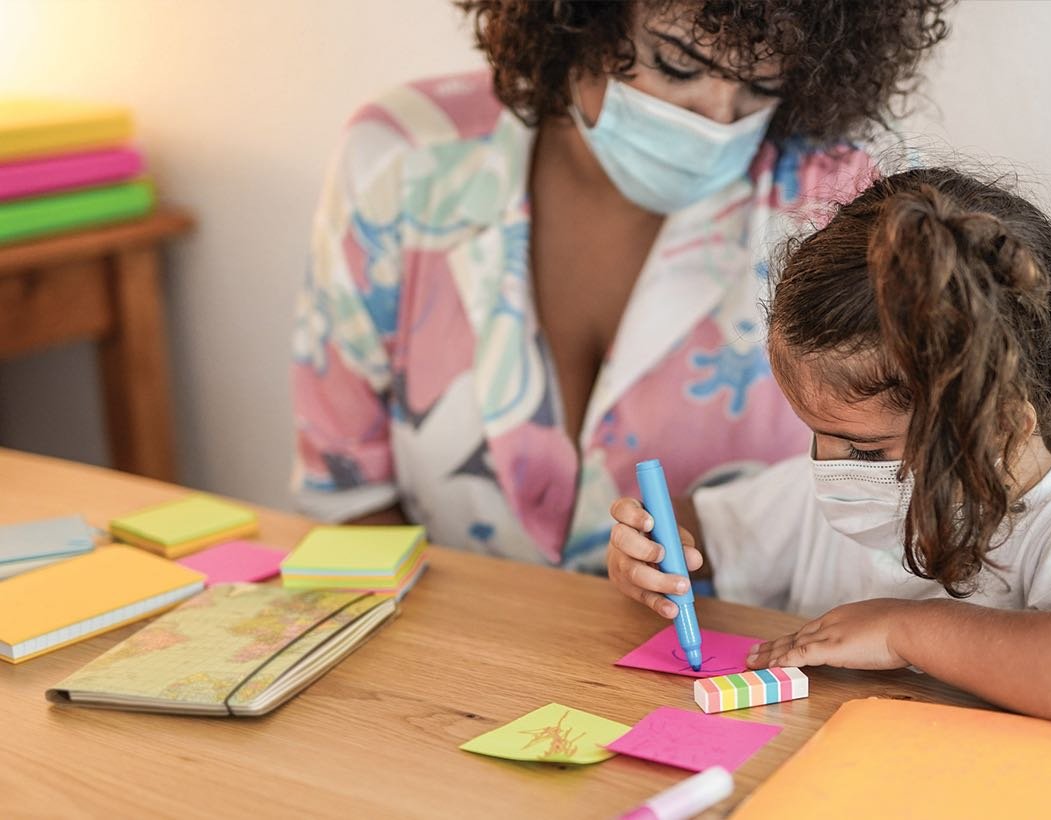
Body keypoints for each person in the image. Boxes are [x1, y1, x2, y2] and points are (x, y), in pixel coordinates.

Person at [292, 0, 951, 571]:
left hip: (742, 678)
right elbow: (347, 492)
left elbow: (908, 507)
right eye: (677, 65)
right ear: (577, 21)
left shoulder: (857, 195)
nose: (718, 119)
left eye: (760, 85)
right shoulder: (405, 153)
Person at [606, 168, 1051, 731]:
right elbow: (696, 526)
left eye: (864, 451)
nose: (828, 466)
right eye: (817, 435)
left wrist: (904, 628)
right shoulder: (817, 495)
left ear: (999, 427)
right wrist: (652, 549)